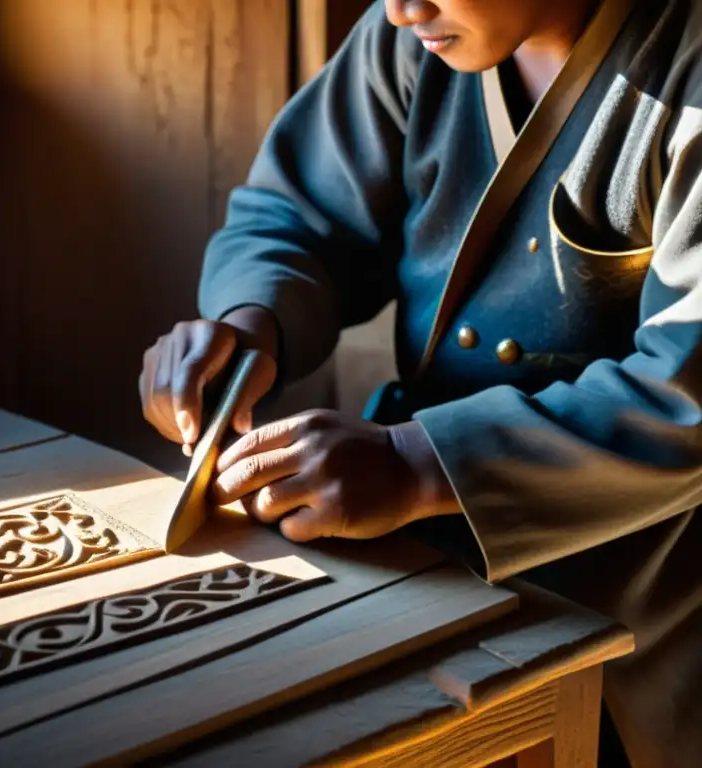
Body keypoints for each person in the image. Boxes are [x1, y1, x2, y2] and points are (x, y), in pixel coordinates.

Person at [138, 0, 702, 765]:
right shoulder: (411, 39)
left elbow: (686, 398)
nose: (403, 9)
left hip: (649, 593)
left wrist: (413, 464)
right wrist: (246, 328)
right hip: (424, 558)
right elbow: (296, 214)